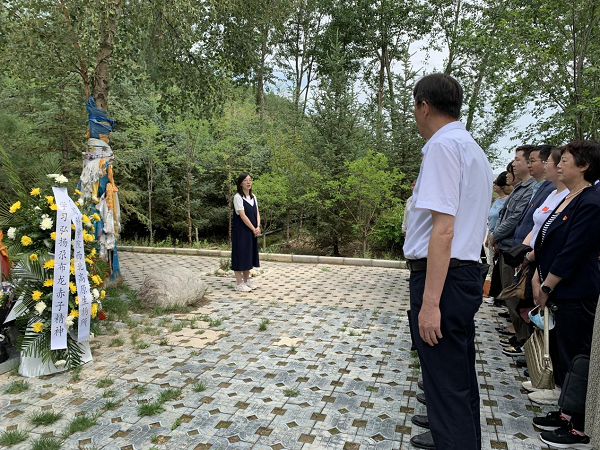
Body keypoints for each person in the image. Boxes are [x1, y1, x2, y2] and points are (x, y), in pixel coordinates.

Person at [404, 73, 493, 450]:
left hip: (442, 280)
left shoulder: (442, 147)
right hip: (462, 274)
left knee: (444, 388)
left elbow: (443, 231)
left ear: (424, 106)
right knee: (458, 382)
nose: (415, 114)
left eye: (414, 107)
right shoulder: (472, 148)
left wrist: (429, 304)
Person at [530, 141, 600, 448]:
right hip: (557, 288)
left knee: (576, 357)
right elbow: (547, 241)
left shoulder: (591, 202)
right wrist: (538, 274)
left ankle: (578, 425)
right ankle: (565, 411)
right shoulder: (569, 197)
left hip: (575, 292)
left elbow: (573, 251)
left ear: (584, 166)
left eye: (566, 160)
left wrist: (547, 286)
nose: (558, 164)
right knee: (562, 354)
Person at [487, 146, 535, 341]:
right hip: (506, 246)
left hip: (514, 248)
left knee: (514, 294)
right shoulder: (521, 188)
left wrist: (495, 236)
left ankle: (522, 339)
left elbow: (515, 219)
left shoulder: (532, 189)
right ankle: (519, 335)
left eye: (517, 160)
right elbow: (504, 215)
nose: (513, 164)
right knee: (509, 292)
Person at [231, 173, 261, 292]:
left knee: (248, 255)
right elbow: (242, 216)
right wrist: (253, 229)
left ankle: (247, 281)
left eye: (250, 180)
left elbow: (257, 213)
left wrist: (258, 227)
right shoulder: (238, 197)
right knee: (240, 255)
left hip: (252, 231)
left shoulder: (253, 197)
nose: (248, 182)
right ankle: (239, 283)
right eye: (245, 180)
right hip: (241, 232)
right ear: (240, 183)